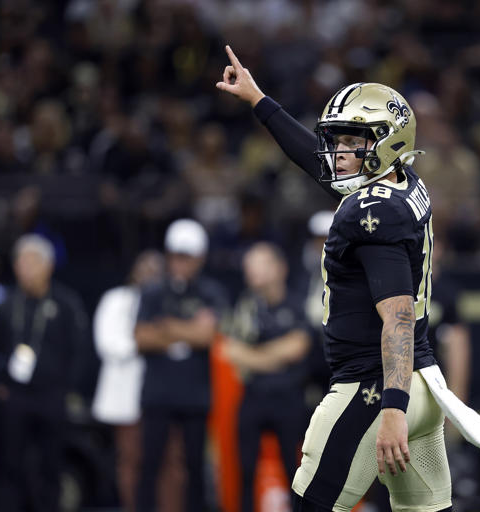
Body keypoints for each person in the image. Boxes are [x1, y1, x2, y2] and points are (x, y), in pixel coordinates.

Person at [217, 46, 452, 511]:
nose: (339, 153)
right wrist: (259, 100)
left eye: (352, 142)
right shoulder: (402, 182)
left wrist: (390, 408)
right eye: (338, 140)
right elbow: (316, 160)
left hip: (372, 387)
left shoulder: (371, 211)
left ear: (386, 142)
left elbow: (398, 317)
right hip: (424, 381)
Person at [134, 219, 228, 512]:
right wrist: (189, 330)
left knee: (194, 465)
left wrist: (167, 327)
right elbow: (140, 338)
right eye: (175, 255)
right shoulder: (152, 291)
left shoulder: (211, 290)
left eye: (186, 256)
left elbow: (209, 336)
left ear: (200, 257)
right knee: (148, 463)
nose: (180, 262)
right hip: (158, 392)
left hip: (195, 394)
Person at [0, 234, 89, 511]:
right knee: (9, 464)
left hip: (51, 395)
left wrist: (67, 388)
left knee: (51, 464)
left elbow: (80, 349)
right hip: (14, 396)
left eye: (31, 261)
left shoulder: (65, 302)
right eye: (20, 262)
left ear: (48, 265)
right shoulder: (9, 304)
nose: (24, 268)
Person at [92, 250, 188, 512]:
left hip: (167, 396)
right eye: (144, 267)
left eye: (156, 269)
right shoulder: (116, 299)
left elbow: (184, 347)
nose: (150, 273)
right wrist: (151, 341)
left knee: (171, 462)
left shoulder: (171, 299)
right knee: (132, 460)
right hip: (128, 398)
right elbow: (110, 344)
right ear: (134, 271)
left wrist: (157, 339)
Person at [222, 242, 311, 512]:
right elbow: (229, 350)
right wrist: (274, 356)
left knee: (295, 470)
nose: (251, 272)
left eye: (258, 265)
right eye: (249, 266)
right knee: (245, 469)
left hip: (290, 396)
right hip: (253, 395)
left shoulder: (296, 303)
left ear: (278, 268)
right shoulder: (244, 306)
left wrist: (253, 356)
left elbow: (298, 347)